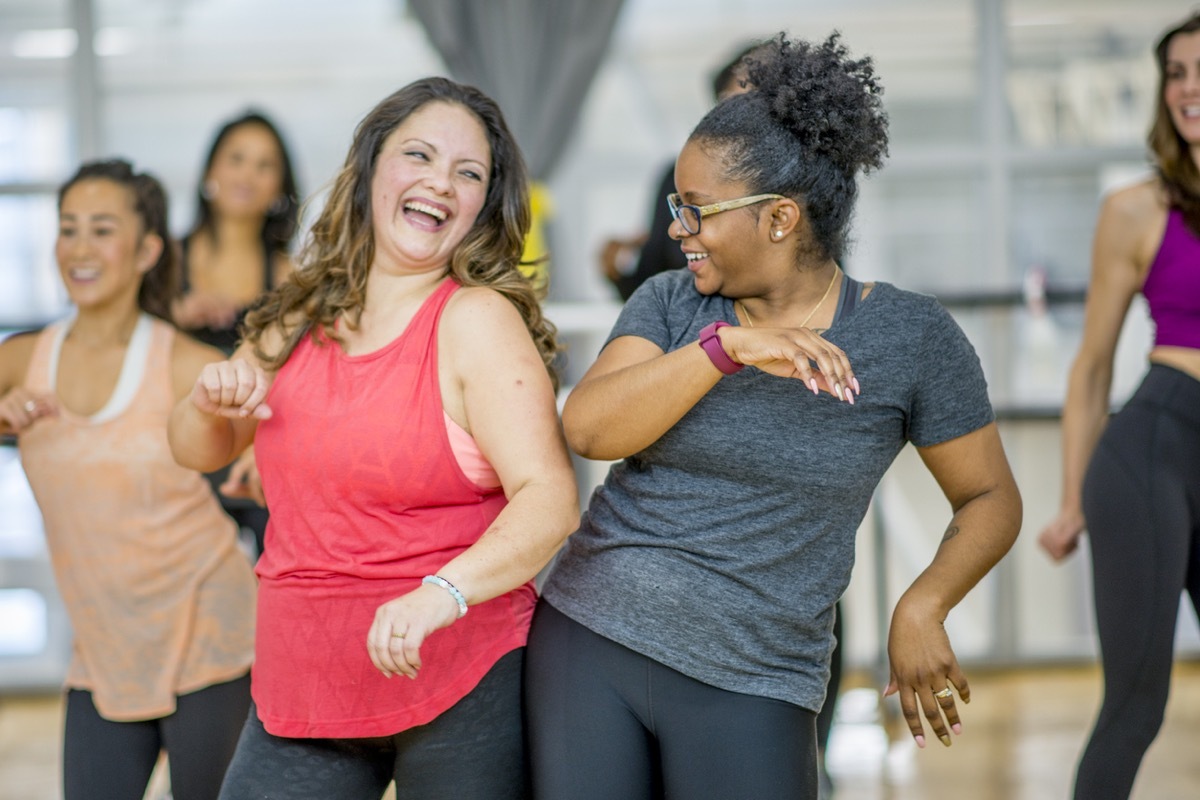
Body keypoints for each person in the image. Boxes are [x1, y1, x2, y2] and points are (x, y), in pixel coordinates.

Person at [525, 33, 1022, 800]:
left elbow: (990, 498)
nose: (677, 230)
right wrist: (725, 349)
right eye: (675, 208)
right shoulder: (670, 304)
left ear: (781, 218)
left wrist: (924, 603)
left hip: (759, 672)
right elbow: (589, 428)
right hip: (592, 636)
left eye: (696, 211)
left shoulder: (911, 339)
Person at [166, 77, 579, 800]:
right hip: (306, 677)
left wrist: (441, 594)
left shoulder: (476, 319)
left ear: (485, 205)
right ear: (370, 170)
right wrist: (207, 401)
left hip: (459, 668)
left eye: (468, 172)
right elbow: (197, 449)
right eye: (418, 155)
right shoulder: (299, 311)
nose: (440, 184)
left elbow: (548, 500)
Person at [0, 159, 256, 800]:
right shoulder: (24, 359)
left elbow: (279, 439)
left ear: (147, 250)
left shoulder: (184, 364)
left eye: (101, 229)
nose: (80, 248)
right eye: (68, 228)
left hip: (210, 632)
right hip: (103, 648)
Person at [1036, 12, 1200, 800]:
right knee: (1137, 703)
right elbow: (1093, 366)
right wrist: (1070, 499)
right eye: (1177, 73)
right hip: (1152, 450)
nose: (1190, 88)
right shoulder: (1139, 208)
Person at [174, 110, 301, 557]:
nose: (248, 174)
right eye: (237, 159)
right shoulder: (163, 263)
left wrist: (262, 451)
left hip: (256, 457)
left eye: (265, 165)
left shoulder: (291, 275)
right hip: (177, 453)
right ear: (211, 170)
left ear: (279, 188)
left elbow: (301, 378)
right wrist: (173, 314)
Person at [597, 41, 764, 301]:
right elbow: (650, 281)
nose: (679, 230)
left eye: (750, 105)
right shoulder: (675, 178)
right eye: (726, 105)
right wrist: (616, 272)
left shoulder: (806, 186)